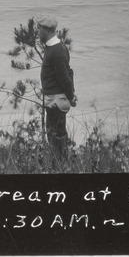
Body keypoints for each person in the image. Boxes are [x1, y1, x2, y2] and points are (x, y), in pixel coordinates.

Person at [36, 16, 75, 157]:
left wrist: (71, 96)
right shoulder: (54, 47)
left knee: (56, 136)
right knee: (54, 135)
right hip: (53, 99)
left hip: (56, 101)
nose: (37, 32)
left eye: (39, 29)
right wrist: (72, 94)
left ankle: (60, 166)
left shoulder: (56, 50)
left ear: (46, 30)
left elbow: (65, 77)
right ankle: (59, 164)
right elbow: (69, 72)